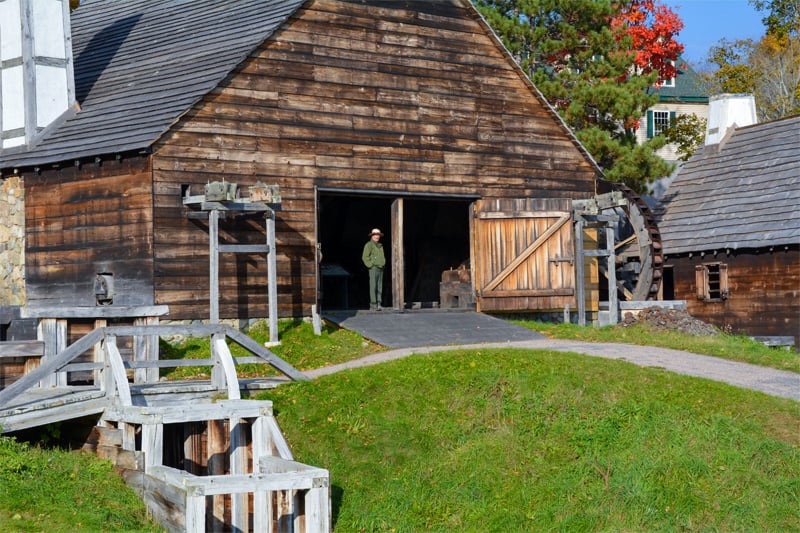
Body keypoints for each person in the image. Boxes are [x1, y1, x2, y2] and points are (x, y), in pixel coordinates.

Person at [362, 228, 386, 310]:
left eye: (378, 235)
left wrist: (383, 263)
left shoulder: (380, 246)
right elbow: (365, 257)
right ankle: (373, 304)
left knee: (379, 286)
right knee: (373, 286)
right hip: (374, 268)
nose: (377, 236)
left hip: (380, 267)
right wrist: (370, 265)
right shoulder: (369, 245)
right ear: (372, 236)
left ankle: (379, 303)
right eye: (375, 235)